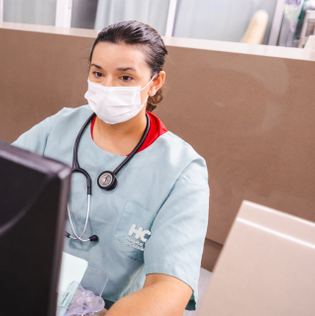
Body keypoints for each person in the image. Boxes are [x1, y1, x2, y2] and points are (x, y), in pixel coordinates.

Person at [13, 21, 208, 315]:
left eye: (125, 77)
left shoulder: (181, 170)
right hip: (30, 286)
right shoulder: (60, 127)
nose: (107, 87)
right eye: (98, 73)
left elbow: (170, 288)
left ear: (155, 82)